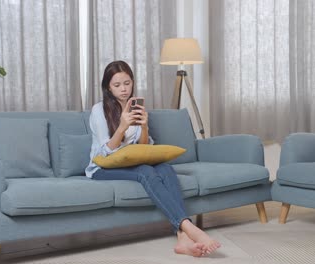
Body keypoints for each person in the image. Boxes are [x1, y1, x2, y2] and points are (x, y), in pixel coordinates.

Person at [85, 60, 221, 257]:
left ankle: (182, 238)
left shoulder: (135, 107)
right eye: (117, 85)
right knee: (146, 172)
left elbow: (143, 148)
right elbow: (105, 152)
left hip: (129, 161)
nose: (123, 89)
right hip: (101, 168)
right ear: (107, 87)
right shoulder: (99, 110)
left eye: (127, 83)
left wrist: (145, 126)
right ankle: (189, 228)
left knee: (165, 168)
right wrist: (122, 126)